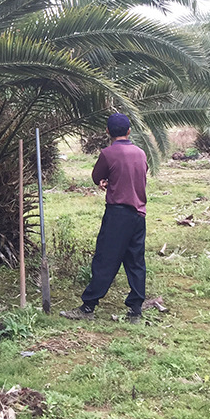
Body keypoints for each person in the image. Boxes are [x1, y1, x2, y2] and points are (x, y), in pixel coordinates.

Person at [61, 113, 148, 323]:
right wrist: (114, 181)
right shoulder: (141, 153)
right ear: (129, 131)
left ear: (107, 131)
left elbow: (96, 176)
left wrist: (106, 181)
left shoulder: (108, 154)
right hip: (139, 214)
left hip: (118, 215)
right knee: (136, 261)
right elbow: (136, 177)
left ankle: (88, 307)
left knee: (105, 259)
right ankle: (135, 310)